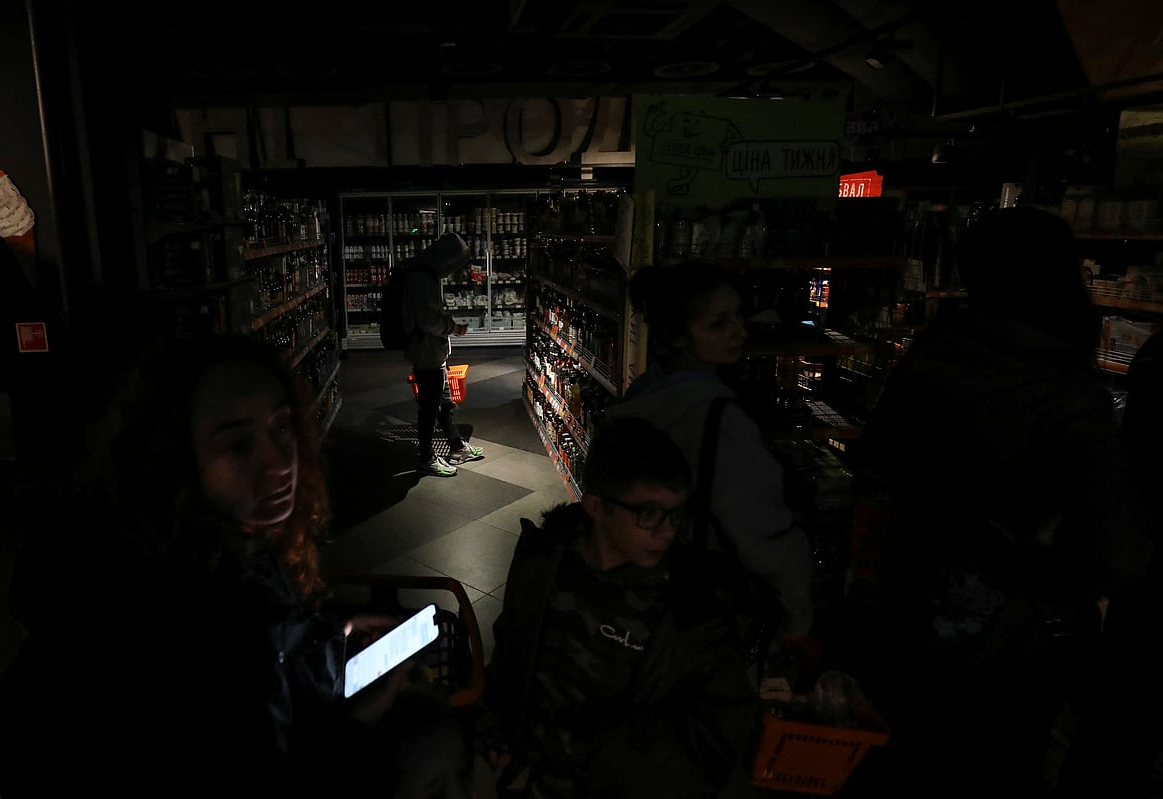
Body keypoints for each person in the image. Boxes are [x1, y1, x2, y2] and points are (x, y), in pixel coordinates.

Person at [0, 334, 468, 798]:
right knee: (433, 744)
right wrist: (357, 720)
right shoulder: (170, 628)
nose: (280, 463)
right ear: (173, 458)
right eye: (238, 446)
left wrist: (319, 636)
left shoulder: (224, 544)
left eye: (281, 427)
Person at [858, 206, 1156, 797]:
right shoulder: (1067, 395)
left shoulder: (937, 353)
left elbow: (877, 462)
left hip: (907, 616)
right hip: (1008, 651)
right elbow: (1118, 554)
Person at [482, 415, 759, 799]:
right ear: (596, 506)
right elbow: (511, 649)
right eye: (647, 514)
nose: (667, 532)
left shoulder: (692, 607)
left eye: (676, 514)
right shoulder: (544, 560)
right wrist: (497, 726)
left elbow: (721, 732)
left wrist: (610, 756)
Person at [604, 264, 816, 667]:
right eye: (719, 324)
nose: (740, 331)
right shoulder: (720, 419)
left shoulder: (647, 393)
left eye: (738, 316)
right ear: (679, 335)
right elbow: (762, 536)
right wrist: (797, 615)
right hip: (711, 606)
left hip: (651, 594)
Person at [403, 232, 485, 477]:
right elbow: (429, 321)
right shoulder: (422, 278)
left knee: (443, 402)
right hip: (426, 352)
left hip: (432, 351)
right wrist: (453, 328)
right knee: (430, 407)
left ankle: (456, 446)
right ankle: (427, 458)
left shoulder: (422, 272)